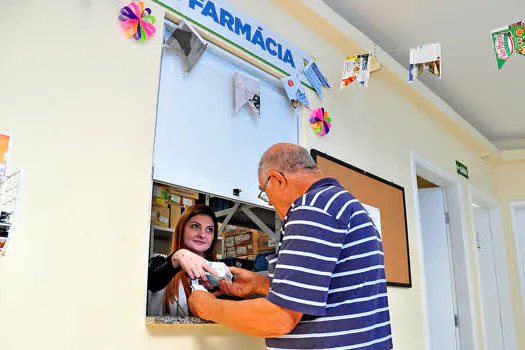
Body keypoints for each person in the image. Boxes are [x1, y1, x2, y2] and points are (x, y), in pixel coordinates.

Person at [189, 143, 393, 349]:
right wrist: (260, 284)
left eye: (265, 193)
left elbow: (279, 318)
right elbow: (325, 291)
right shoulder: (344, 205)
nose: (269, 203)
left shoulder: (311, 210)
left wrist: (206, 306)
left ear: (277, 179)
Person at [147, 204, 219, 317]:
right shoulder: (161, 265)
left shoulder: (218, 273)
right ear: (182, 230)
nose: (202, 235)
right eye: (195, 226)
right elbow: (152, 280)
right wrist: (177, 257)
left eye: (209, 229)